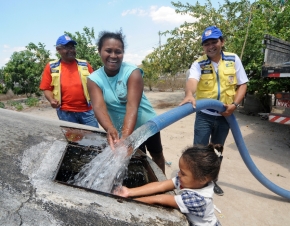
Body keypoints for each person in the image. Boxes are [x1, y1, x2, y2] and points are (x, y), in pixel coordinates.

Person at [179, 26, 248, 196]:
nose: (210, 46)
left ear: (222, 42)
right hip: (205, 116)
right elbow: (192, 80)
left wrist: (235, 105)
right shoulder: (199, 64)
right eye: (206, 43)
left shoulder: (233, 59)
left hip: (226, 116)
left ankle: (211, 182)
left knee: (217, 152)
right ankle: (195, 183)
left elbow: (242, 84)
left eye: (214, 42)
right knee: (199, 151)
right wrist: (189, 94)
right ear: (203, 47)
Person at [87, 31, 165, 173]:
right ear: (99, 51)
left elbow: (132, 107)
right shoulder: (94, 79)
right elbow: (98, 107)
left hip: (147, 123)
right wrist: (110, 129)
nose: (113, 56)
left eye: (118, 52)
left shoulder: (132, 72)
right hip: (122, 127)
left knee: (157, 154)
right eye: (108, 51)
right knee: (137, 158)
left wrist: (126, 137)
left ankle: (162, 183)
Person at [114, 144, 223, 226]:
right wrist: (129, 191)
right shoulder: (193, 181)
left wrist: (131, 202)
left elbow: (160, 199)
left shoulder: (199, 199)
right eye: (180, 170)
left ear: (203, 179)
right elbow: (161, 185)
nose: (178, 174)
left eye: (183, 173)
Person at [40, 34, 99, 128]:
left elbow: (95, 85)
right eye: (66, 47)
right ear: (58, 49)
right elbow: (46, 88)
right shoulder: (51, 66)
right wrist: (51, 100)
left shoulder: (84, 64)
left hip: (87, 111)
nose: (71, 50)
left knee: (94, 138)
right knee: (74, 140)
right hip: (65, 112)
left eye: (72, 47)